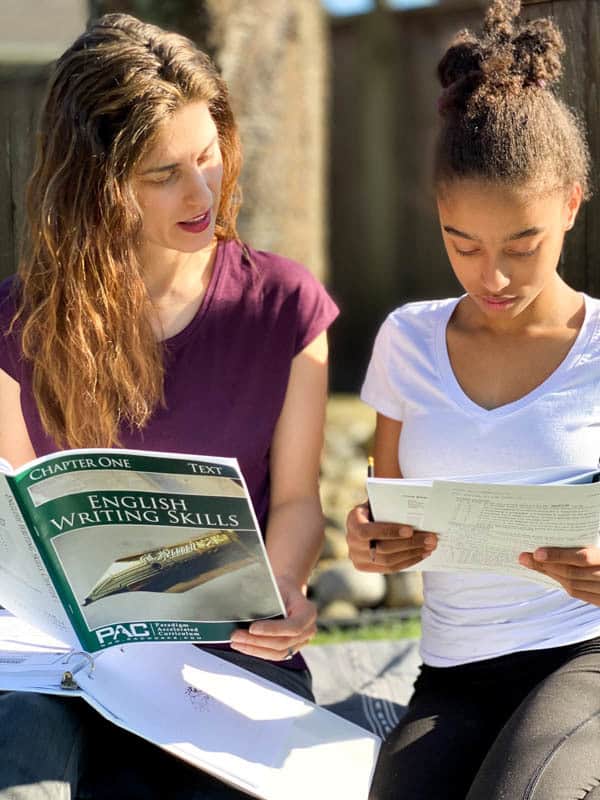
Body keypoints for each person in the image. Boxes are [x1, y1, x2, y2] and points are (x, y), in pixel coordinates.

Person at [0, 12, 338, 800]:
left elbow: (295, 501)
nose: (202, 192)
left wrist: (285, 584)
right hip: (64, 671)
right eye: (164, 174)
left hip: (231, 662)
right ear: (98, 182)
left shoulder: (285, 307)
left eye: (209, 155)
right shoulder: (14, 326)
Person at [346, 1, 600, 798]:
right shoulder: (406, 342)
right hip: (454, 673)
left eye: (522, 245)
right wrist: (370, 545)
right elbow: (388, 510)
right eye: (464, 246)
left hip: (585, 656)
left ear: (570, 201)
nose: (492, 277)